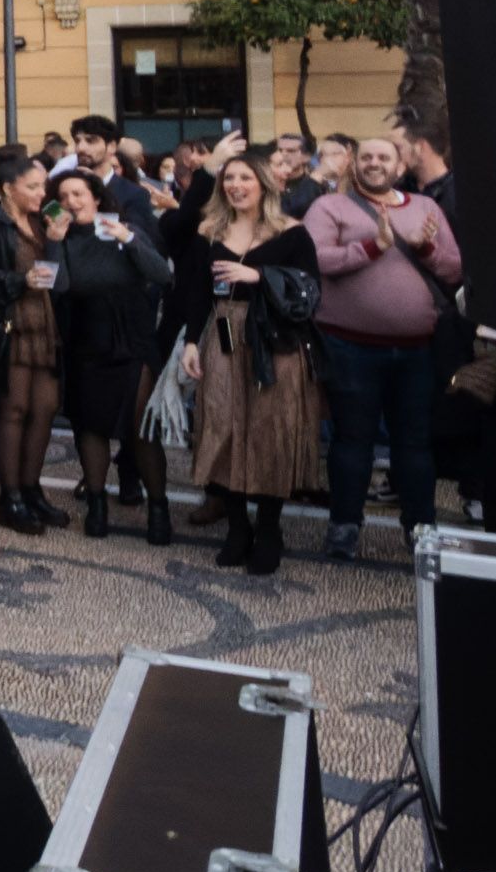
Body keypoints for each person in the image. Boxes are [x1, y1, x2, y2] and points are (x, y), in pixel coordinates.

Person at [166, 143, 323, 573]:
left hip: (274, 343)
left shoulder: (291, 231)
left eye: (245, 178)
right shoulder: (209, 232)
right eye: (229, 179)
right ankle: (237, 527)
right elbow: (195, 292)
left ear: (264, 184)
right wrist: (192, 343)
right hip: (221, 337)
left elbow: (310, 290)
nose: (235, 186)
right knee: (223, 427)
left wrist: (258, 276)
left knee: (269, 431)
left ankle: (269, 528)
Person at [306, 134, 464, 560]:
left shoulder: (425, 208)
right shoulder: (330, 207)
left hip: (417, 351)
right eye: (368, 156)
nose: (375, 163)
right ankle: (344, 526)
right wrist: (372, 247)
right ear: (355, 163)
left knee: (414, 445)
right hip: (349, 348)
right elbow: (315, 258)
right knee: (351, 442)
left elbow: (454, 269)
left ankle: (420, 527)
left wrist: (426, 248)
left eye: (384, 157)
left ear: (399, 166)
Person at [45, 168, 172, 541]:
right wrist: (54, 241)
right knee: (91, 425)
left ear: (97, 197)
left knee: (141, 427)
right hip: (86, 337)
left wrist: (130, 239)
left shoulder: (124, 228)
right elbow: (59, 288)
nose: (71, 202)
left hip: (132, 336)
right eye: (63, 196)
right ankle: (97, 504)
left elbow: (162, 274)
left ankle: (159, 507)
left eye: (78, 194)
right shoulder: (61, 238)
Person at [0, 148, 63, 529]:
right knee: (13, 409)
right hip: (11, 323)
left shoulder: (46, 218)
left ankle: (32, 489)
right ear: (8, 188)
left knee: (45, 409)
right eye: (32, 186)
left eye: (43, 185)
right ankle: (10, 498)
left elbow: (63, 265)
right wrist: (17, 282)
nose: (42, 193)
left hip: (47, 321)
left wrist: (57, 238)